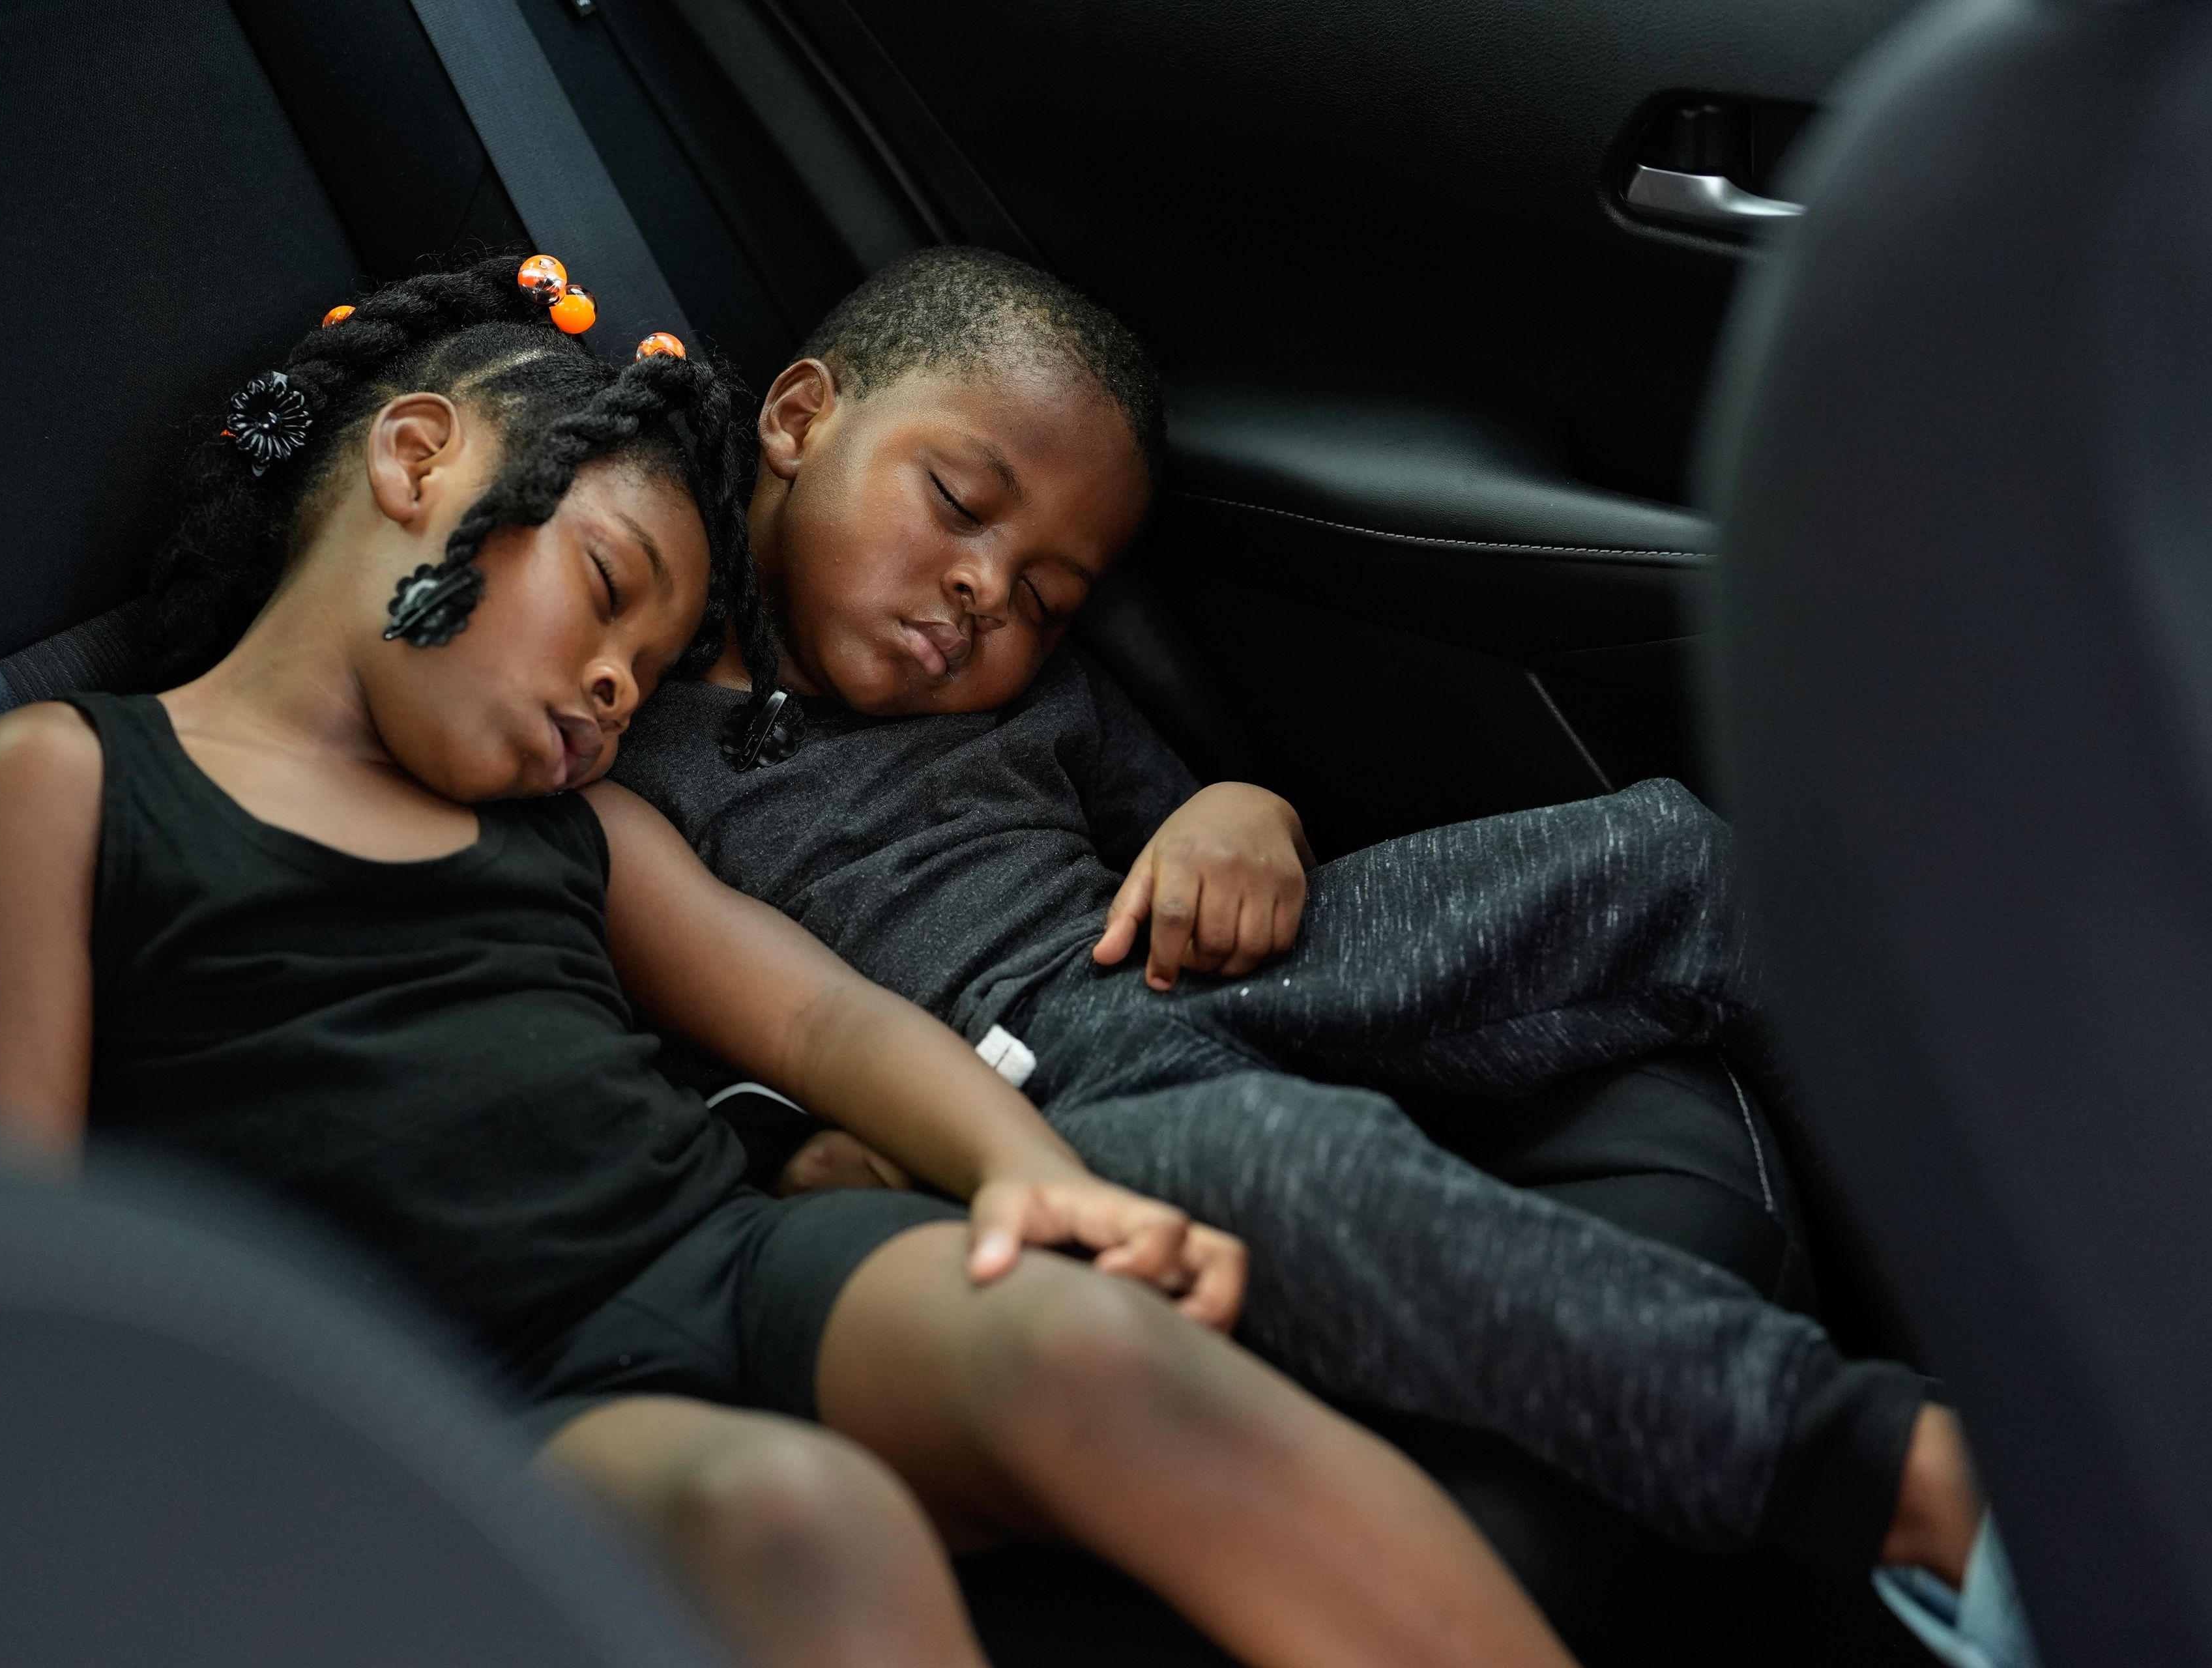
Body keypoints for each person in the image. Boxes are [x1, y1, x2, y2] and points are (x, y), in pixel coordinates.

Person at [0, 256, 1580, 1668]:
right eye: (609, 590)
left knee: (1089, 1343)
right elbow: (5, 1248)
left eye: (650, 667)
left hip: (724, 1258)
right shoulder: (74, 781)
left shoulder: (581, 832)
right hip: (475, 1399)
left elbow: (824, 1013)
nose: (618, 694)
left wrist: (1028, 1175)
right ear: (417, 457)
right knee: (799, 1516)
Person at [606, 245, 1987, 1592]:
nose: (987, 587)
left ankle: (2039, 1296)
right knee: (1288, 1154)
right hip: (1008, 1105)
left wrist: (1243, 813)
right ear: (798, 417)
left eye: (1045, 596)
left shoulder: (1037, 699)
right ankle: (1902, 1480)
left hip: (1177, 965)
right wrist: (800, 1152)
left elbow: (1194, 821)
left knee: (1677, 856)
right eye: (960, 501)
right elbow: (649, 1042)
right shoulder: (619, 739)